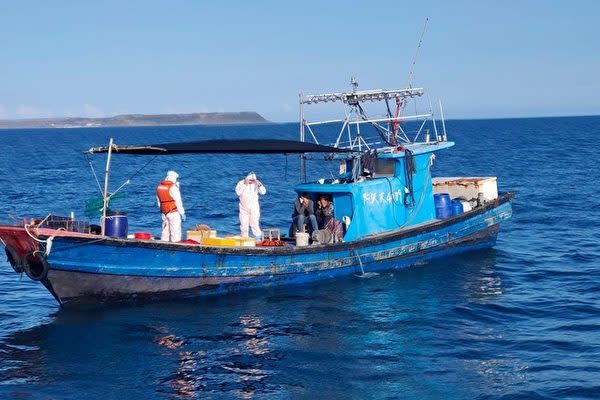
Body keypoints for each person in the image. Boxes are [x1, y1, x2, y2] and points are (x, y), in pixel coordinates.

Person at [156, 170, 186, 242]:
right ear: (174, 178)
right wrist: (182, 213)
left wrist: (163, 211)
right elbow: (178, 201)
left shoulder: (159, 187)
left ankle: (163, 246)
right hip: (173, 212)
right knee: (175, 233)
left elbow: (159, 202)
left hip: (164, 213)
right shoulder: (173, 187)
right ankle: (175, 249)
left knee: (165, 232)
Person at [235, 172, 266, 239]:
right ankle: (244, 239)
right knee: (244, 225)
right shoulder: (241, 183)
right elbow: (238, 192)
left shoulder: (257, 183)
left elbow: (263, 192)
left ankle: (259, 239)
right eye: (250, 180)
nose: (251, 182)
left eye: (253, 180)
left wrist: (258, 184)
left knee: (254, 223)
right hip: (243, 208)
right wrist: (245, 185)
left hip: (254, 207)